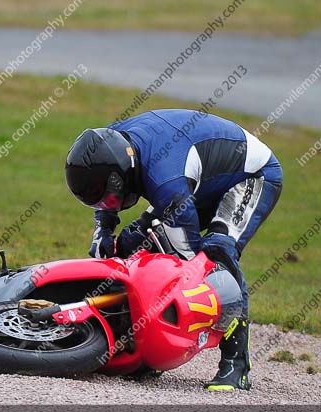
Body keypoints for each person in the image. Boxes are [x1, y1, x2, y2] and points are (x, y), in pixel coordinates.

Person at [64, 109, 283, 391]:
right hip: (195, 178)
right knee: (134, 242)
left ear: (125, 173)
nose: (110, 201)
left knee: (214, 255)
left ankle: (236, 362)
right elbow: (107, 198)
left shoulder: (165, 180)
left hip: (252, 176)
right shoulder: (107, 141)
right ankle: (138, 344)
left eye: (111, 194)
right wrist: (104, 231)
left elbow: (188, 258)